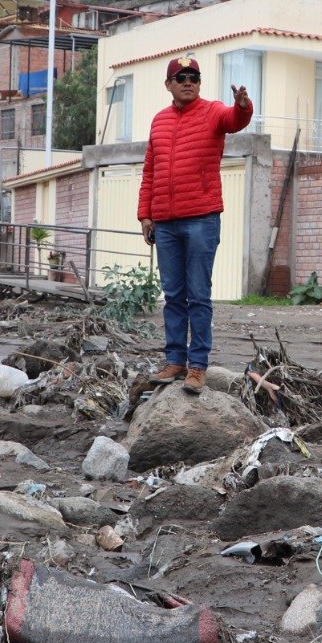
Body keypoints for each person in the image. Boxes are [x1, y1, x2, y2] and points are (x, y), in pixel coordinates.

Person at [138, 55, 254, 394]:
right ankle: (175, 360)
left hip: (201, 218)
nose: (189, 82)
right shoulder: (158, 121)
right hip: (165, 222)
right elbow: (150, 171)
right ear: (169, 85)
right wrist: (145, 214)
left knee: (198, 296)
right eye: (181, 77)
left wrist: (243, 105)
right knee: (173, 295)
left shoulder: (214, 111)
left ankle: (198, 367)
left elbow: (235, 120)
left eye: (194, 77)